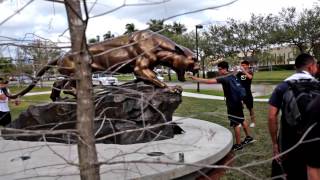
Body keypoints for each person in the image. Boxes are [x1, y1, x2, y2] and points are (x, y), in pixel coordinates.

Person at [268, 53, 320, 180]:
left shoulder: (282, 86)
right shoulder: (318, 85)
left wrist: (275, 144)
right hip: (314, 137)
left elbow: (271, 116)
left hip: (288, 138)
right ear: (311, 66)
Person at [189, 61, 254, 151]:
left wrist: (195, 78)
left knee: (236, 124)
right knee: (242, 120)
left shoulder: (225, 78)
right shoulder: (232, 76)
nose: (218, 71)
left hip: (232, 104)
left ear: (224, 69)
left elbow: (208, 81)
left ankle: (238, 145)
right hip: (238, 102)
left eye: (219, 69)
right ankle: (248, 137)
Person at [236, 60, 256, 127]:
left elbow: (250, 77)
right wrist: (236, 70)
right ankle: (240, 121)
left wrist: (243, 71)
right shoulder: (240, 73)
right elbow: (234, 78)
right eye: (242, 65)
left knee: (250, 108)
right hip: (241, 93)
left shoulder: (250, 72)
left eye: (244, 65)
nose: (242, 66)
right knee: (239, 108)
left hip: (248, 93)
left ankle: (253, 122)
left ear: (248, 65)